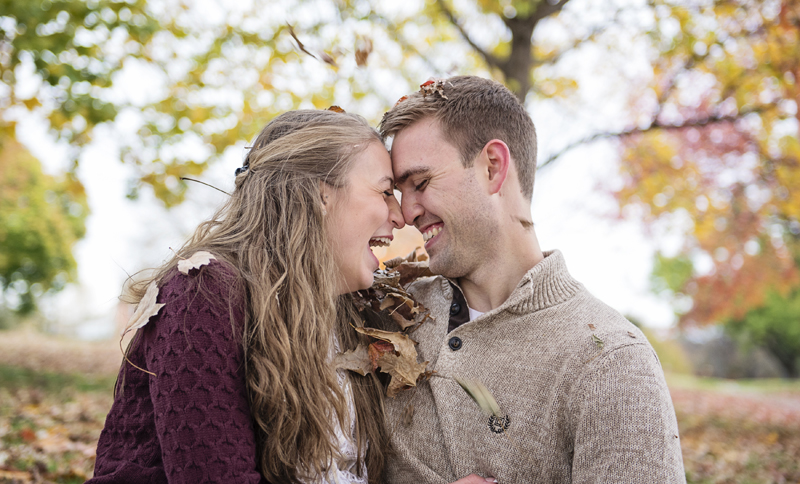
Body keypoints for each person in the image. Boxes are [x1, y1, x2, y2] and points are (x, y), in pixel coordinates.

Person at [378, 76, 685, 483]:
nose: (408, 212)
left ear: (493, 167)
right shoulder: (386, 315)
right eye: (398, 192)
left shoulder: (609, 361)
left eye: (420, 183)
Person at [88, 110, 404, 484]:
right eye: (385, 191)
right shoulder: (202, 293)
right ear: (322, 193)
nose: (400, 215)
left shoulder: (343, 314)